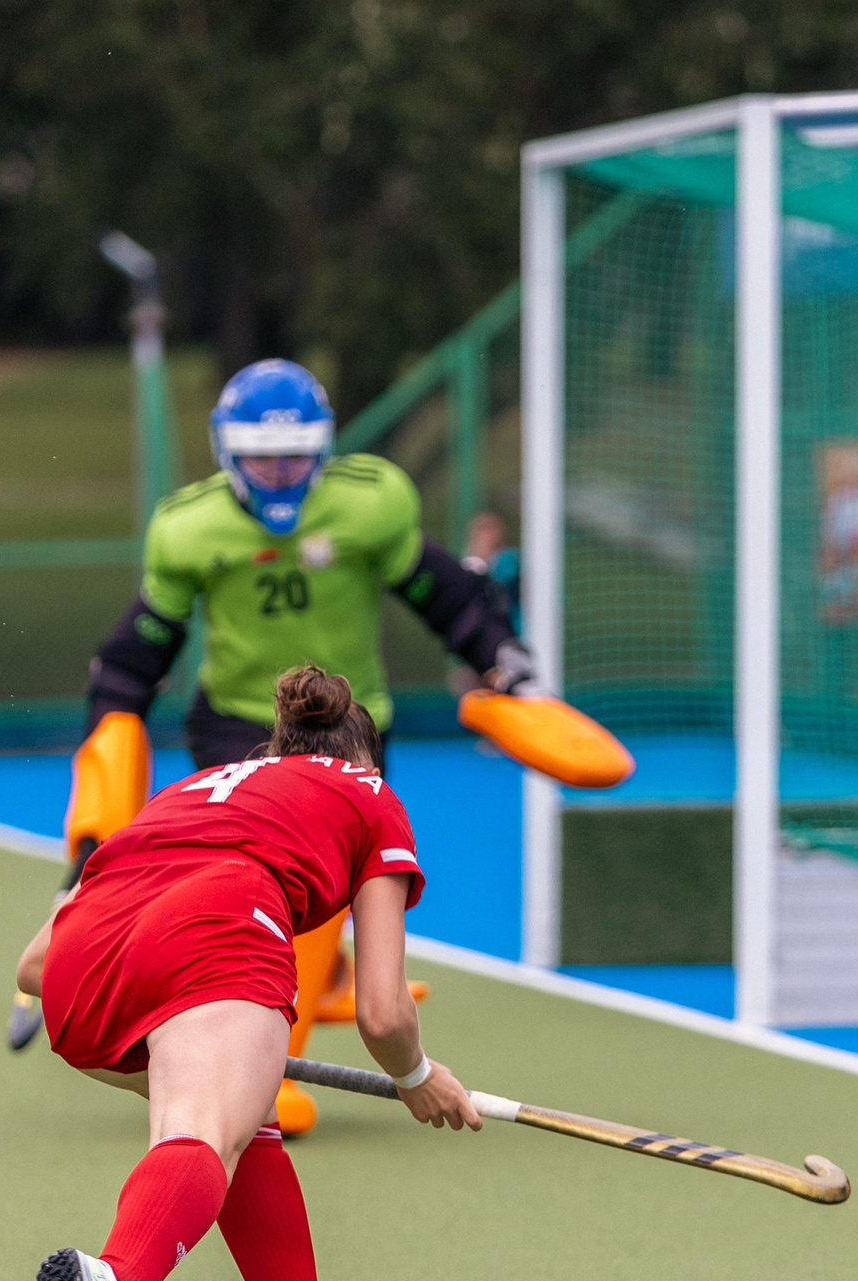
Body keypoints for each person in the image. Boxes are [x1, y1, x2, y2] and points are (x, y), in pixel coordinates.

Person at [14, 665, 477, 1281]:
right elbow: (383, 1010)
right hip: (221, 927)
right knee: (202, 1129)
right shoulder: (368, 793)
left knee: (243, 1121)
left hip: (80, 973)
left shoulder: (195, 789)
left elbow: (33, 966)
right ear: (363, 757)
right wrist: (417, 1076)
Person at [77, 358, 529, 1135]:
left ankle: (285, 1017)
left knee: (328, 886)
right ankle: (261, 1031)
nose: (279, 471)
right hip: (236, 727)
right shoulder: (191, 526)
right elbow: (140, 649)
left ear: (322, 450)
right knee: (239, 887)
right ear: (227, 451)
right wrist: (110, 729)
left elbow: (442, 592)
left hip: (350, 728)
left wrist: (501, 655)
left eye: (293, 455)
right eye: (261, 455)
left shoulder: (369, 506)